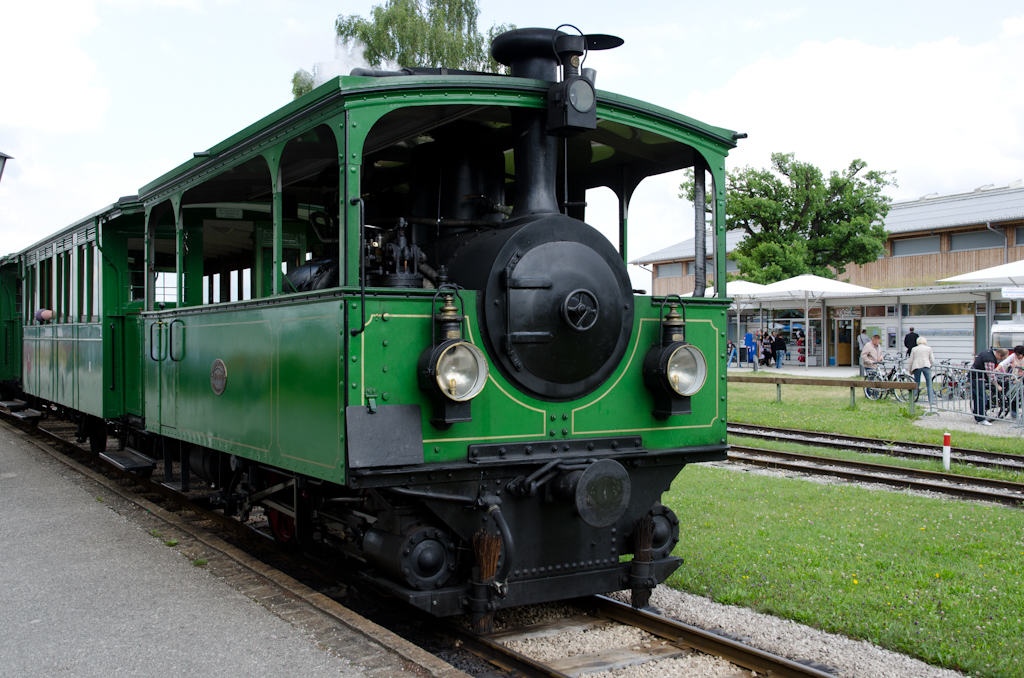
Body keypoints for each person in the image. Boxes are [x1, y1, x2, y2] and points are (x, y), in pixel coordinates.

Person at [970, 346, 1010, 425]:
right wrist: (997, 386)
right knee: (982, 399)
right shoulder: (989, 359)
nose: (1001, 361)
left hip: (976, 377)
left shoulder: (988, 352)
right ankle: (981, 419)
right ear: (999, 354)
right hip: (978, 378)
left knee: (978, 398)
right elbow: (990, 375)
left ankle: (978, 417)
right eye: (1002, 358)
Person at [908, 336, 936, 411]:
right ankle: (931, 400)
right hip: (926, 365)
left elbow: (911, 360)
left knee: (916, 383)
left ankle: (912, 398)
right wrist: (930, 364)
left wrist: (910, 370)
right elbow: (932, 359)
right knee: (929, 383)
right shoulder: (928, 348)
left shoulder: (914, 349)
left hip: (916, 366)